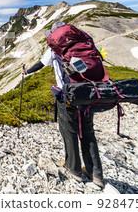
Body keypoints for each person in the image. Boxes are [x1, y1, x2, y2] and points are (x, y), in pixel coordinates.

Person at [22, 21, 104, 188]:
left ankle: (73, 169)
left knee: (69, 129)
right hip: (88, 91)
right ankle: (96, 175)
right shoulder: (85, 43)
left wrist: (27, 71)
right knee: (87, 131)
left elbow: (40, 64)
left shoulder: (54, 50)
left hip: (67, 94)